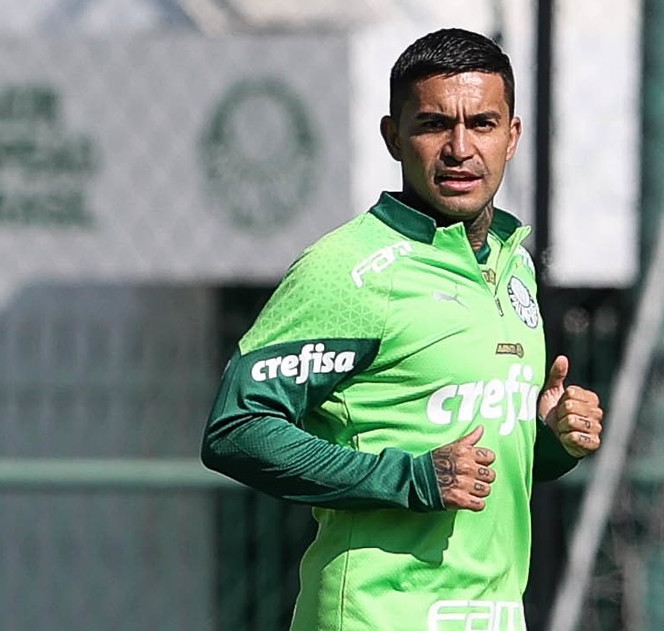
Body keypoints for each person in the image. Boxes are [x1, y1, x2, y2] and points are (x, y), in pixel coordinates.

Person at [201, 27, 604, 631]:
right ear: (394, 136)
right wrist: (408, 477)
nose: (460, 149)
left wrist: (548, 440)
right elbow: (236, 429)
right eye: (434, 124)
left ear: (513, 136)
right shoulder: (350, 269)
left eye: (483, 125)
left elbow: (477, 459)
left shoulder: (510, 259)